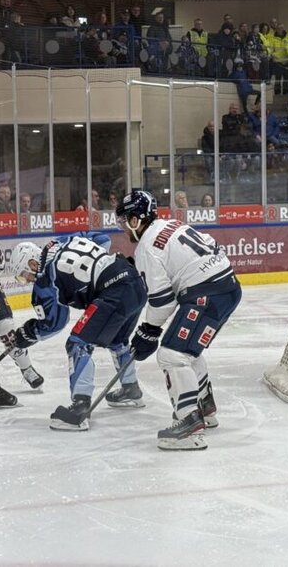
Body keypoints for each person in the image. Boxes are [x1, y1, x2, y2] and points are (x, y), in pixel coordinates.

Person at [116, 190, 242, 450]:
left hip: (205, 294)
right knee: (187, 350)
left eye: (126, 221)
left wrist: (148, 330)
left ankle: (189, 425)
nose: (124, 229)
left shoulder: (147, 247)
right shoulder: (172, 224)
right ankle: (204, 408)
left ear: (137, 220)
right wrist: (151, 329)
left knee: (172, 355)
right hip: (227, 288)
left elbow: (162, 301)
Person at [6, 236, 147, 431]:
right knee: (117, 340)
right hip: (134, 281)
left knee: (77, 343)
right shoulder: (60, 241)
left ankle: (80, 406)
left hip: (114, 291)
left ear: (32, 263)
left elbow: (55, 322)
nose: (27, 280)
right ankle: (131, 389)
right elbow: (102, 239)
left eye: (24, 275)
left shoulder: (45, 277)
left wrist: (26, 334)